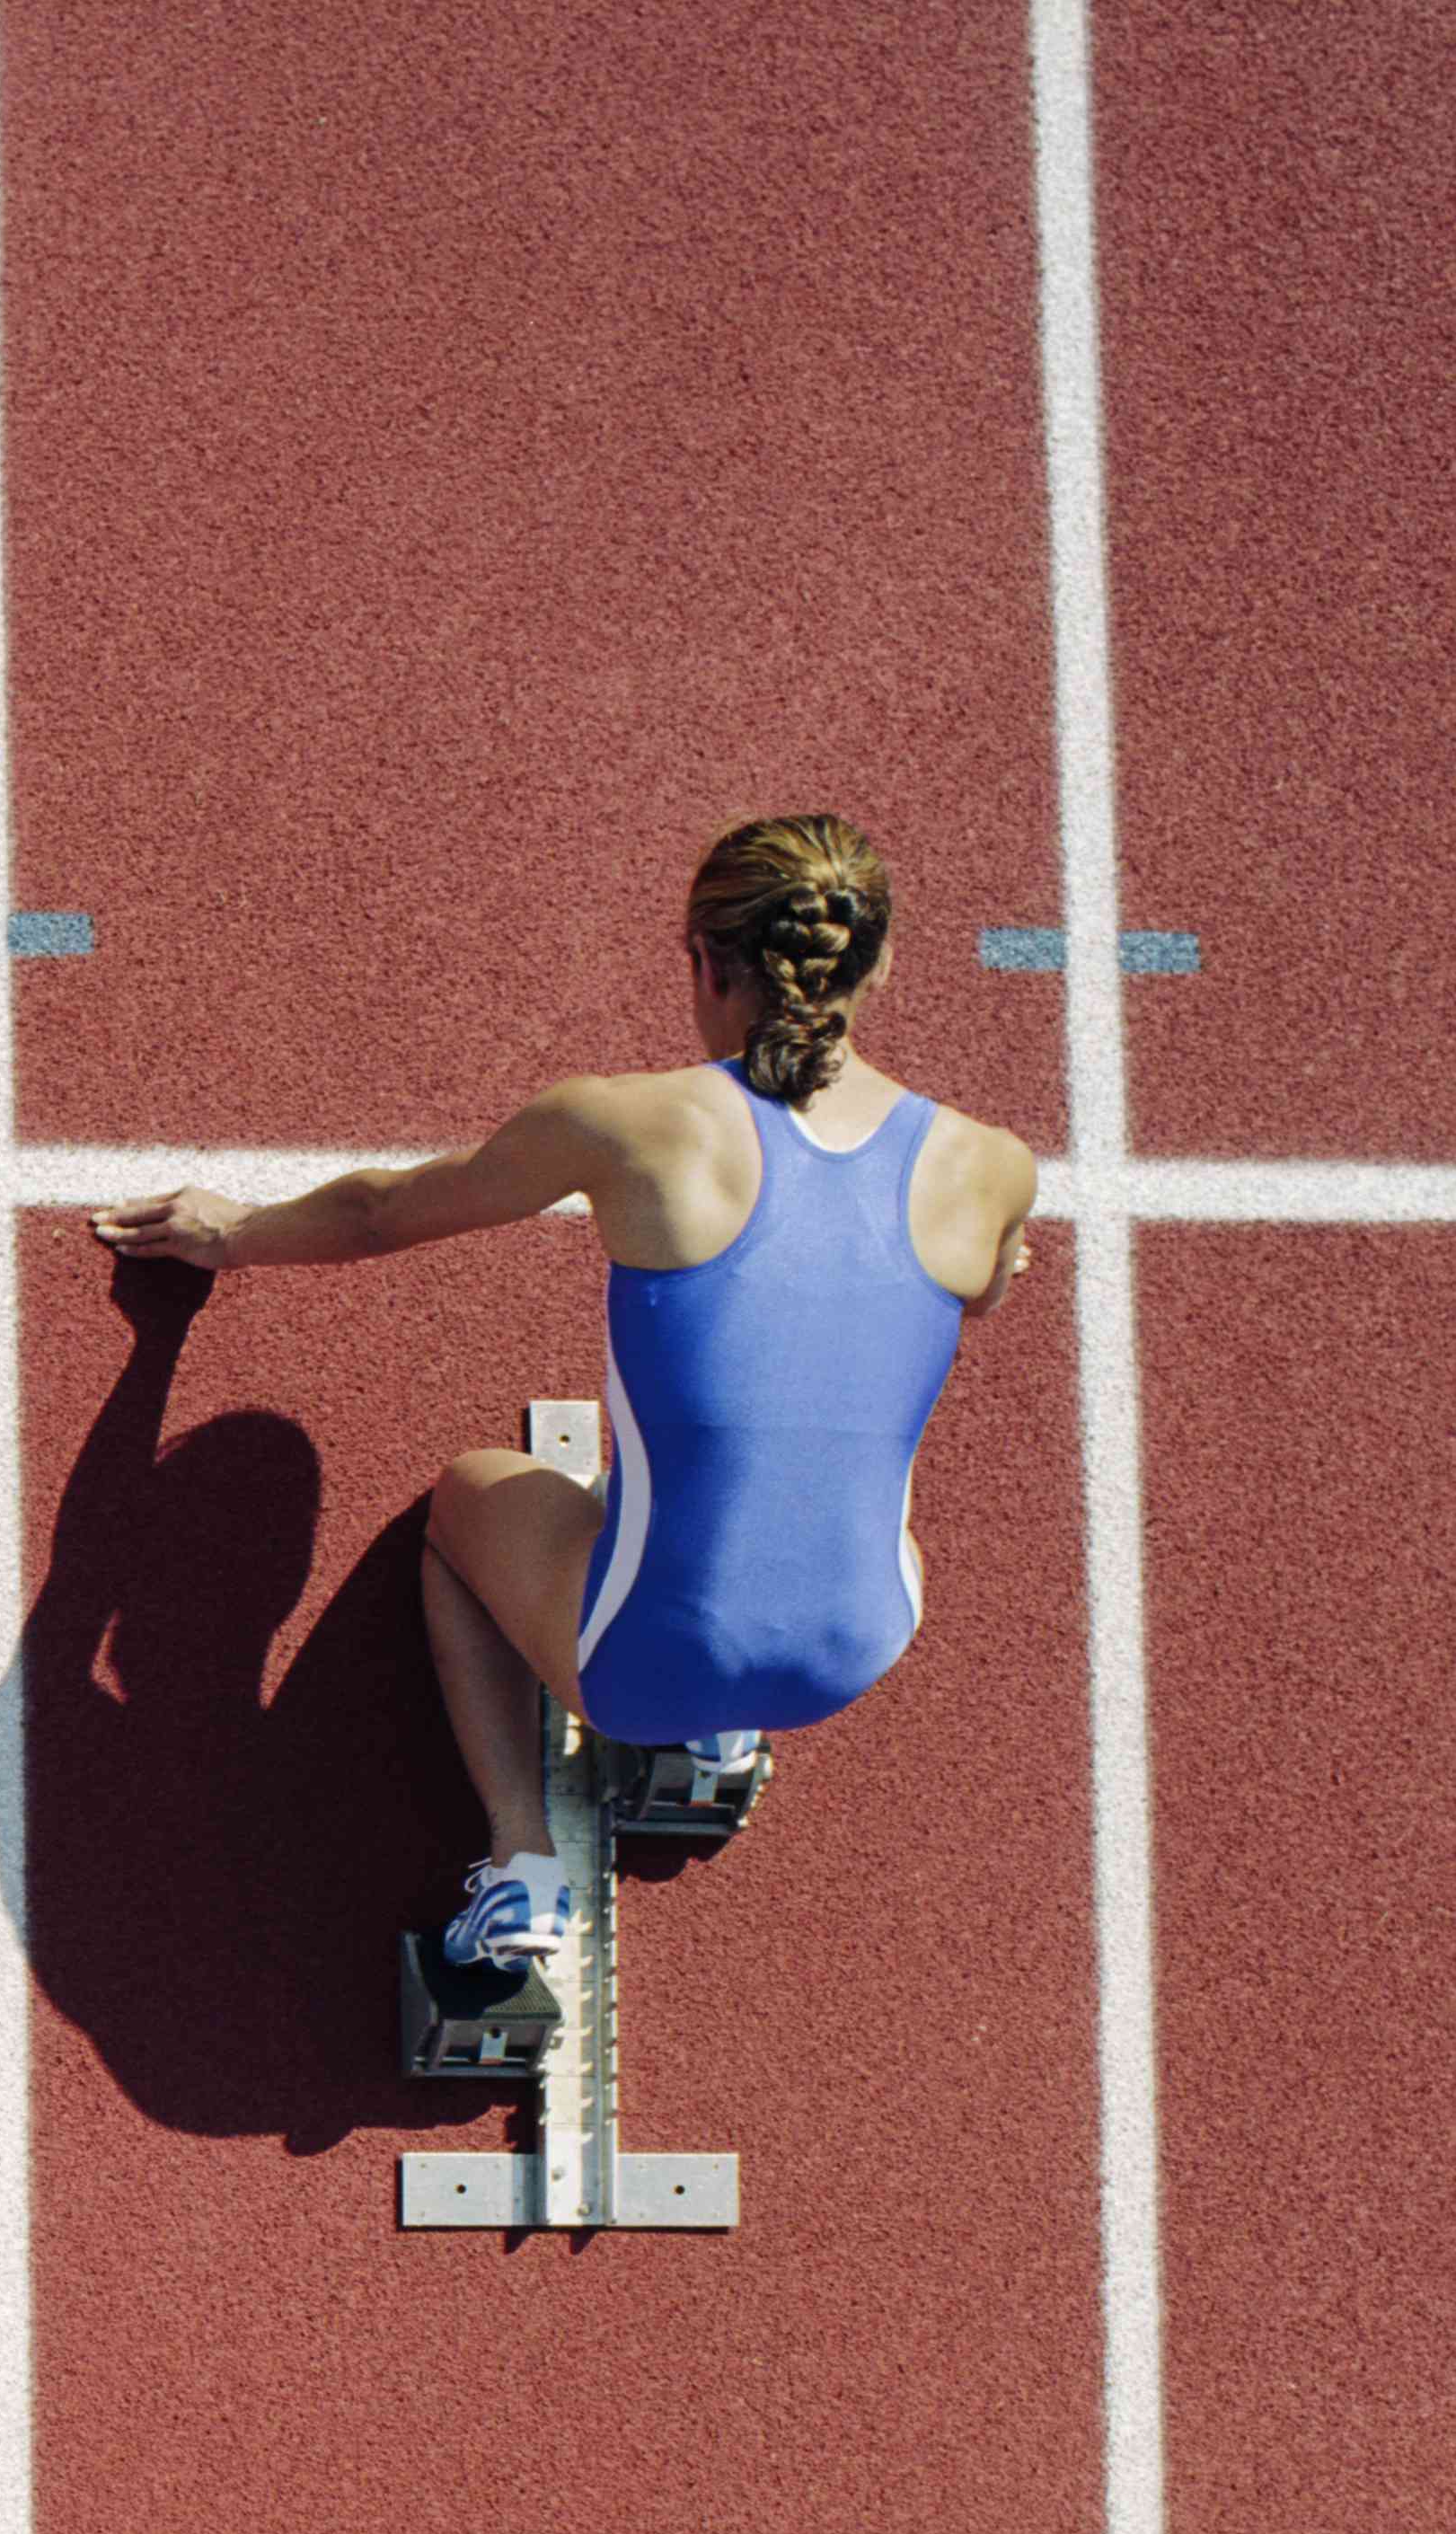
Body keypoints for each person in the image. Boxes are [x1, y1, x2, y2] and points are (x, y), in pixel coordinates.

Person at [93, 813, 1037, 1976]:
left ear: (703, 962)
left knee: (462, 1508)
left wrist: (228, 1235)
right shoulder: (991, 1167)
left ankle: (523, 1868)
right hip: (859, 1644)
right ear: (881, 966)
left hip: (639, 1662)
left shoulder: (626, 1125)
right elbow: (983, 1290)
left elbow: (385, 1214)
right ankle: (723, 1744)